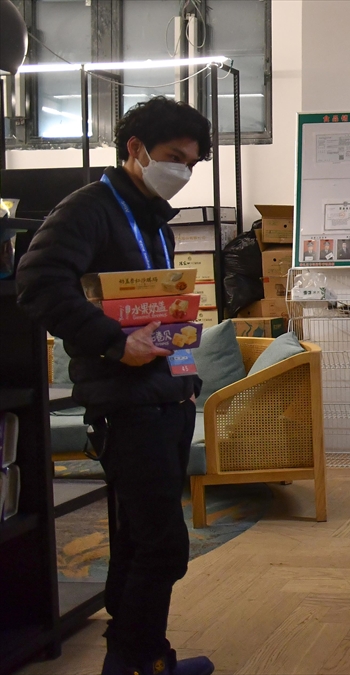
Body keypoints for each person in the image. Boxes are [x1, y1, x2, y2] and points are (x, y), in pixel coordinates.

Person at [16, 97, 214, 675]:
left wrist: (187, 376)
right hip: (125, 406)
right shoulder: (89, 209)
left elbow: (161, 309)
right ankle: (137, 660)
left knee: (137, 539)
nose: (182, 172)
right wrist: (112, 342)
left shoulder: (151, 217)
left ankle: (138, 659)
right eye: (173, 157)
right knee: (164, 546)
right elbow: (38, 281)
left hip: (167, 399)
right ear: (135, 149)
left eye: (191, 163)